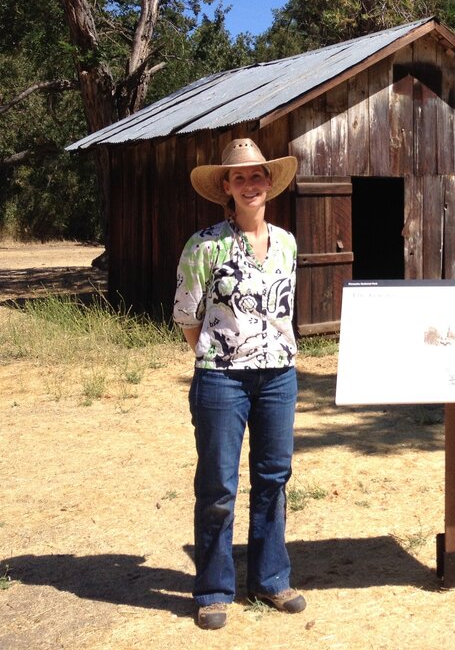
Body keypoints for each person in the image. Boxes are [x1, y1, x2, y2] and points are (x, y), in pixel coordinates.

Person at [173, 138, 305, 630]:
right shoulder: (205, 244)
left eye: (257, 176)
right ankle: (213, 589)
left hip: (279, 377)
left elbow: (284, 311)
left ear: (269, 182)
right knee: (218, 486)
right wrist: (218, 353)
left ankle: (271, 580)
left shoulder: (288, 242)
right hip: (221, 381)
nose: (249, 184)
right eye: (239, 177)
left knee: (273, 479)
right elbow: (188, 316)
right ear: (225, 187)